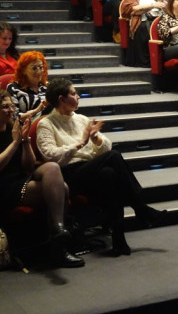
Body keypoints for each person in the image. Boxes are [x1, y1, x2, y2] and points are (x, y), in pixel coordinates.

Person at [35, 78, 167, 256]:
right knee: (113, 158)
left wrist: (95, 138)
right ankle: (140, 208)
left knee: (109, 174)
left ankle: (120, 241)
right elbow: (51, 156)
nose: (78, 96)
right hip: (67, 175)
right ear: (62, 99)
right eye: (74, 93)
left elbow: (106, 147)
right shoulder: (46, 124)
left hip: (91, 169)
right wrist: (81, 142)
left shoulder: (81, 119)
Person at [0, 89, 83, 268]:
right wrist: (15, 143)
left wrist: (26, 142)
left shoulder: (12, 129)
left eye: (11, 106)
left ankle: (58, 231)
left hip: (23, 178)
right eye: (4, 107)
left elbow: (28, 167)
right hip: (3, 186)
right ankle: (59, 246)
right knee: (64, 189)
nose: (10, 110)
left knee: (52, 167)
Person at [7, 51, 48, 123]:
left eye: (41, 67)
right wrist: (37, 110)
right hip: (25, 128)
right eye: (34, 68)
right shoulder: (13, 88)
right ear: (23, 70)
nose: (39, 71)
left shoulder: (47, 88)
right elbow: (13, 117)